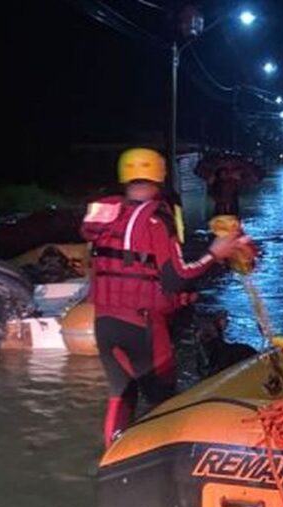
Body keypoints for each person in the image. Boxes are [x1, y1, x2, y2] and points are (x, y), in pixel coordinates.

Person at [81, 148, 244, 448]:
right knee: (162, 399)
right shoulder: (157, 218)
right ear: (159, 177)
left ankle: (112, 458)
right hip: (141, 327)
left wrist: (180, 300)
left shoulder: (107, 215)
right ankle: (161, 464)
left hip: (104, 323)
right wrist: (213, 253)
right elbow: (176, 276)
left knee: (120, 394)